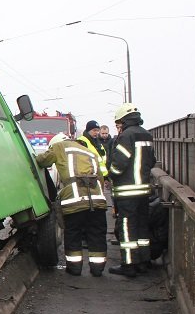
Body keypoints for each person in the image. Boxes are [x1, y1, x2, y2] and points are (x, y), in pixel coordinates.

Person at [36, 132, 108, 276]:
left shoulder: (59, 146)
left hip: (74, 200)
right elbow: (100, 178)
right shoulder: (89, 151)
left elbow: (42, 160)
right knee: (97, 233)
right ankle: (97, 269)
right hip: (97, 200)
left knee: (73, 233)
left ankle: (74, 268)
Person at [107, 103, 156, 278]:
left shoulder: (126, 136)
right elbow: (152, 160)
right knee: (142, 226)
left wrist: (111, 174)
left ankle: (129, 265)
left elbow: (119, 163)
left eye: (119, 123)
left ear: (124, 120)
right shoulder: (146, 134)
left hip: (127, 192)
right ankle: (143, 262)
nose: (118, 127)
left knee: (127, 227)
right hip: (143, 190)